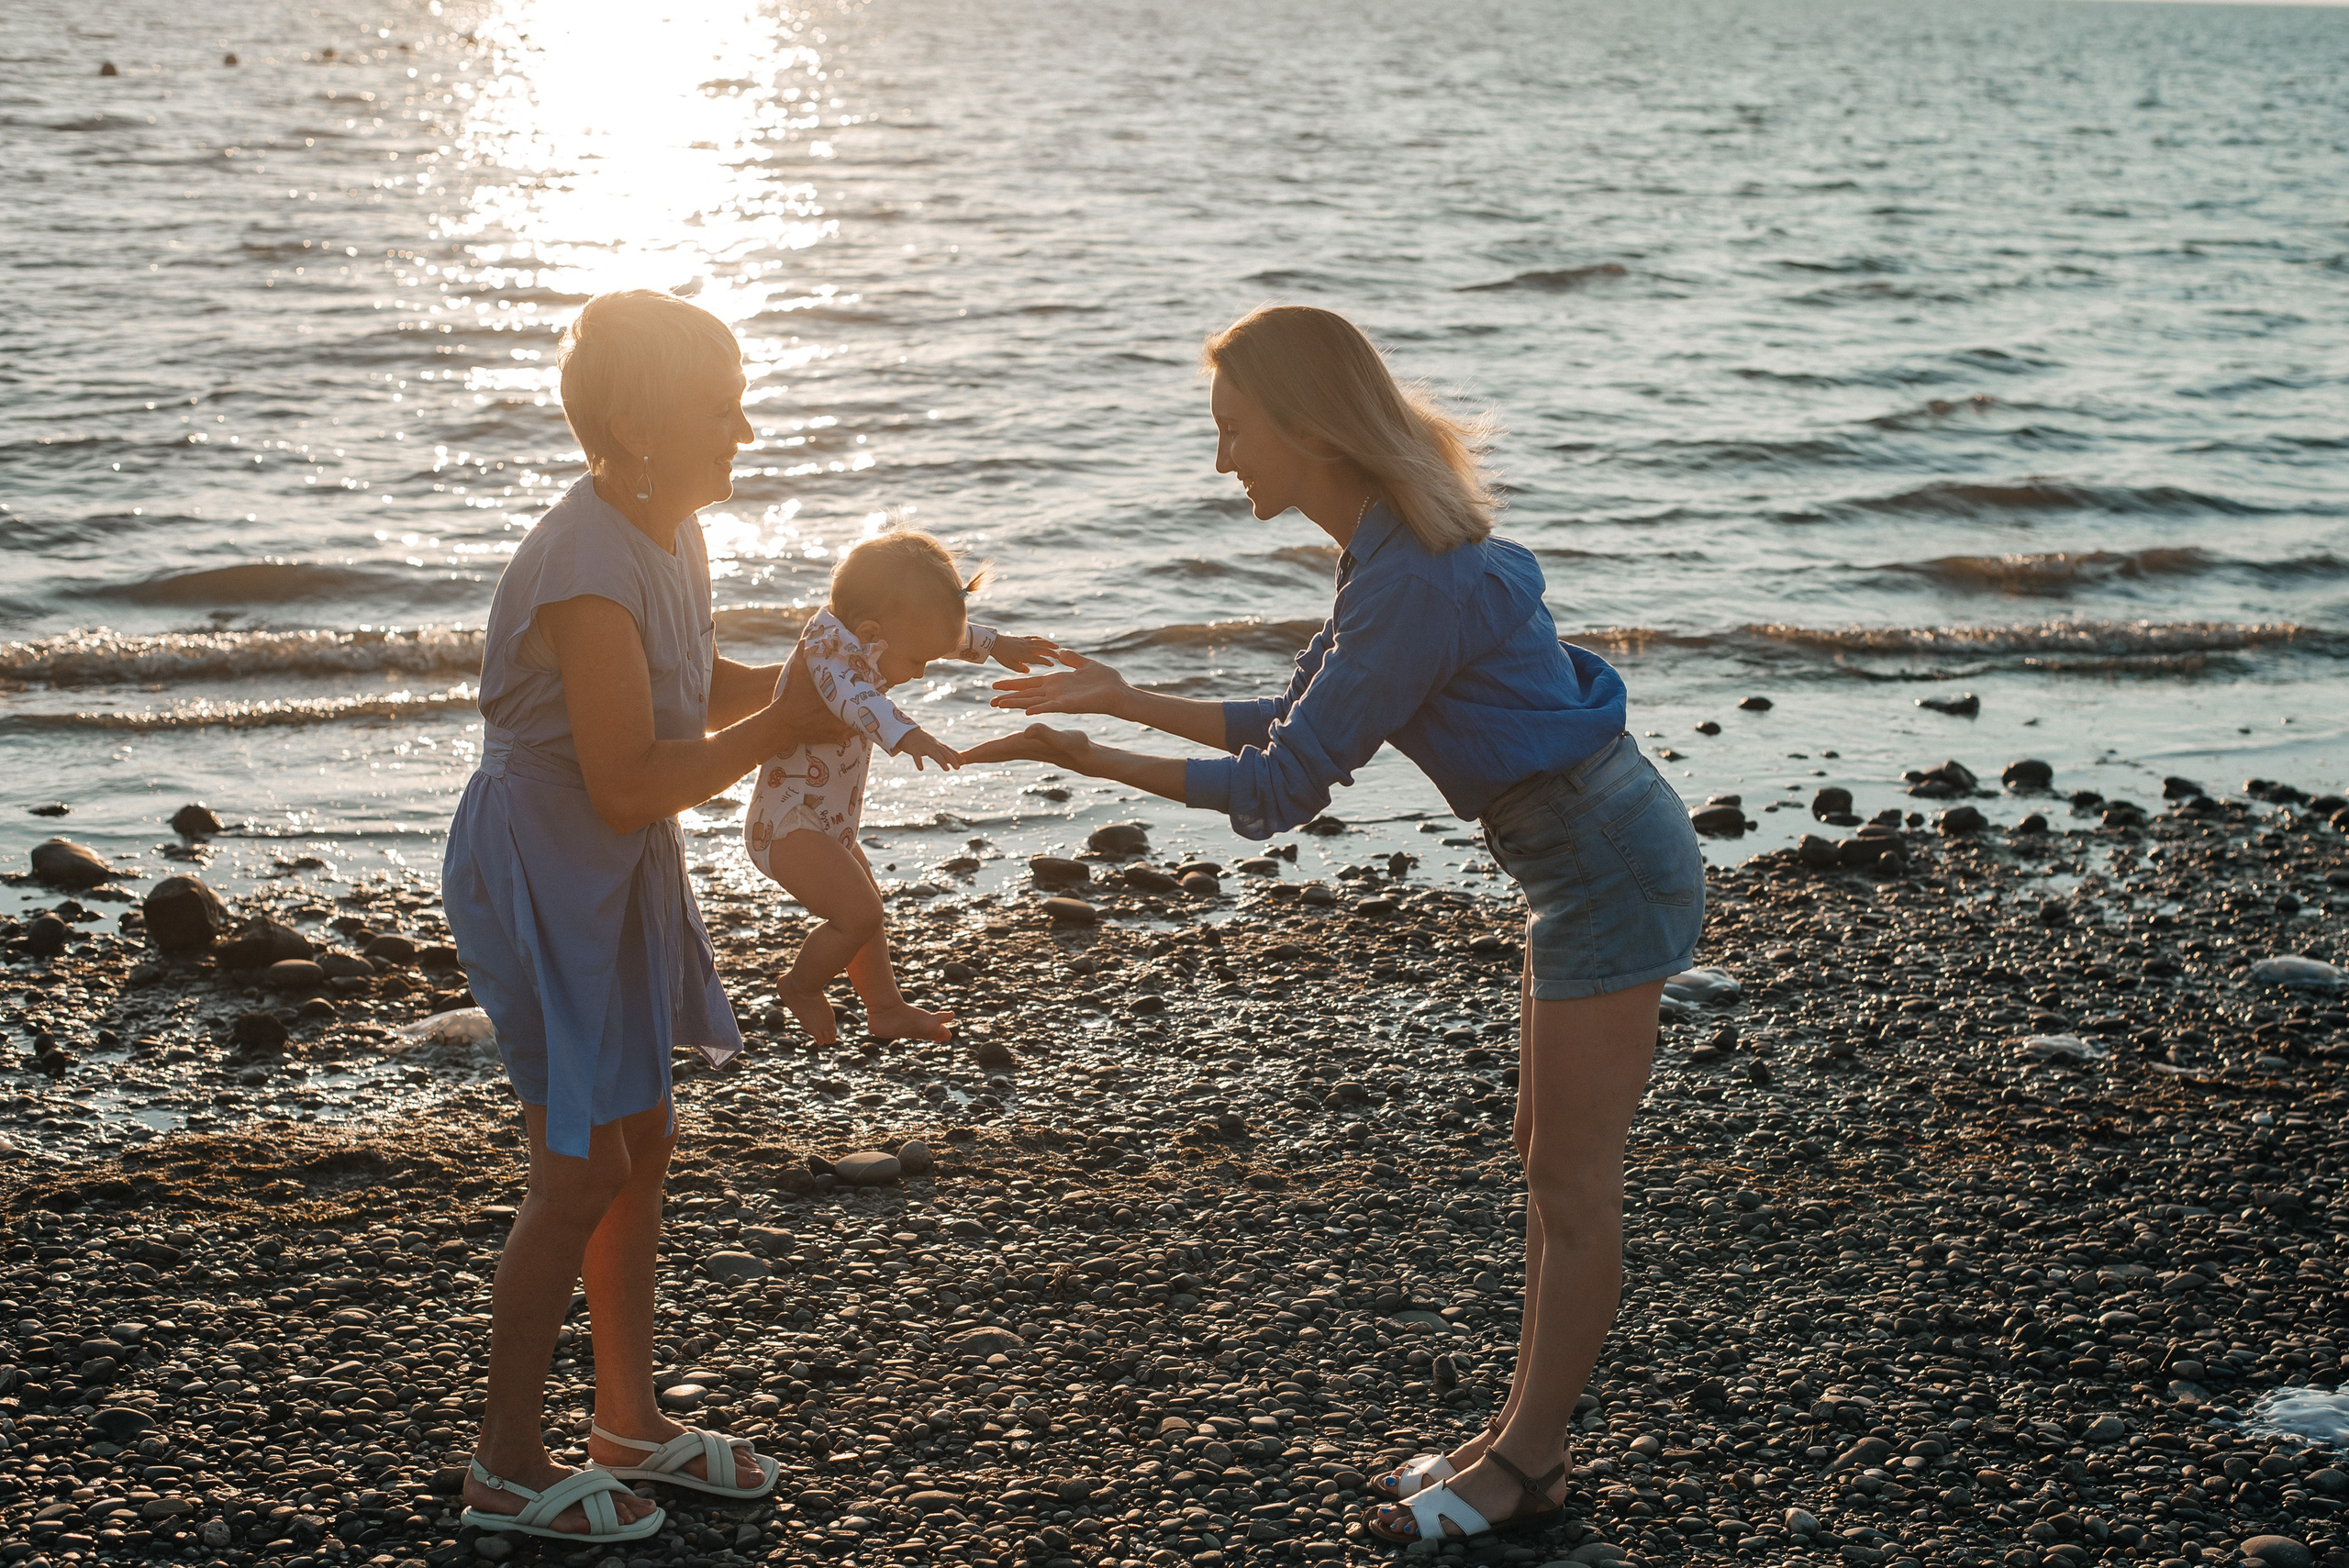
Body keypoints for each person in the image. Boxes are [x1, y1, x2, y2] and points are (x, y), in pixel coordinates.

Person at [967, 305, 1707, 1544]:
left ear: (1307, 427)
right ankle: (1522, 1439)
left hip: (1604, 862)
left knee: (1572, 1185)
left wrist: (1080, 747)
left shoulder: (1406, 573)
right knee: (1546, 1161)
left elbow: (1276, 787)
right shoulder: (1385, 553)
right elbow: (1299, 710)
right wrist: (1120, 694)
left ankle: (1525, 1466)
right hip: (1578, 852)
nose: (1222, 463)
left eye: (1234, 431)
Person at [441, 289, 827, 1542]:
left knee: (645, 1134)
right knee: (579, 1165)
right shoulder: (583, 563)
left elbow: (689, 682)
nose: (748, 431)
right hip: (547, 855)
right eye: (723, 409)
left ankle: (625, 1420)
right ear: (641, 424)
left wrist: (820, 686)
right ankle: (503, 1463)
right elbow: (623, 774)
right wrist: (775, 728)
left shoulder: (666, 531)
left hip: (614, 860)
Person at [743, 529, 1063, 1044]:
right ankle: (801, 986)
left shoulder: (868, 635)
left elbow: (936, 634)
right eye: (918, 662)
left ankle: (886, 1009)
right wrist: (907, 733)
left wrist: (997, 643)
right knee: (858, 912)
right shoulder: (827, 655)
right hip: (785, 823)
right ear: (870, 633)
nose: (919, 673)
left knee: (866, 906)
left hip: (825, 820)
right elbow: (857, 701)